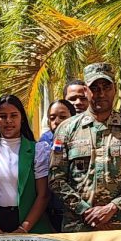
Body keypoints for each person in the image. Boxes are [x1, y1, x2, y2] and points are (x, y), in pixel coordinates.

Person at [49, 62, 121, 232]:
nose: (101, 93)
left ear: (115, 90)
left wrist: (113, 207)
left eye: (106, 87)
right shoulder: (67, 129)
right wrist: (85, 210)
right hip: (79, 225)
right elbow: (55, 178)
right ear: (85, 91)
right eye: (95, 88)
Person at [0, 95, 52, 235]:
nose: (8, 121)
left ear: (22, 118)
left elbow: (43, 195)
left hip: (30, 226)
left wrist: (23, 229)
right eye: (3, 116)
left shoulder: (37, 151)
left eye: (13, 115)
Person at [38, 99, 75, 231]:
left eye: (63, 117)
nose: (57, 121)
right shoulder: (43, 142)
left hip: (75, 212)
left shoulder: (82, 139)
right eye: (52, 118)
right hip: (49, 211)